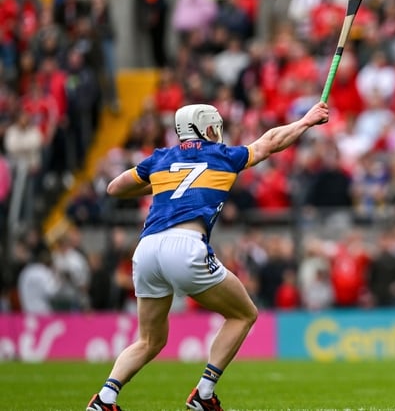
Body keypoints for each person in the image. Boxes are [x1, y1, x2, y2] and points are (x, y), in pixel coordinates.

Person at [86, 100, 329, 411]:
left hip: (146, 250)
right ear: (207, 128)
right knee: (244, 314)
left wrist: (163, 183)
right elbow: (268, 143)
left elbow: (114, 187)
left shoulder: (161, 158)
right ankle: (204, 393)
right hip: (185, 246)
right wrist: (305, 122)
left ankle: (105, 398)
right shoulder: (222, 155)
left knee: (149, 340)